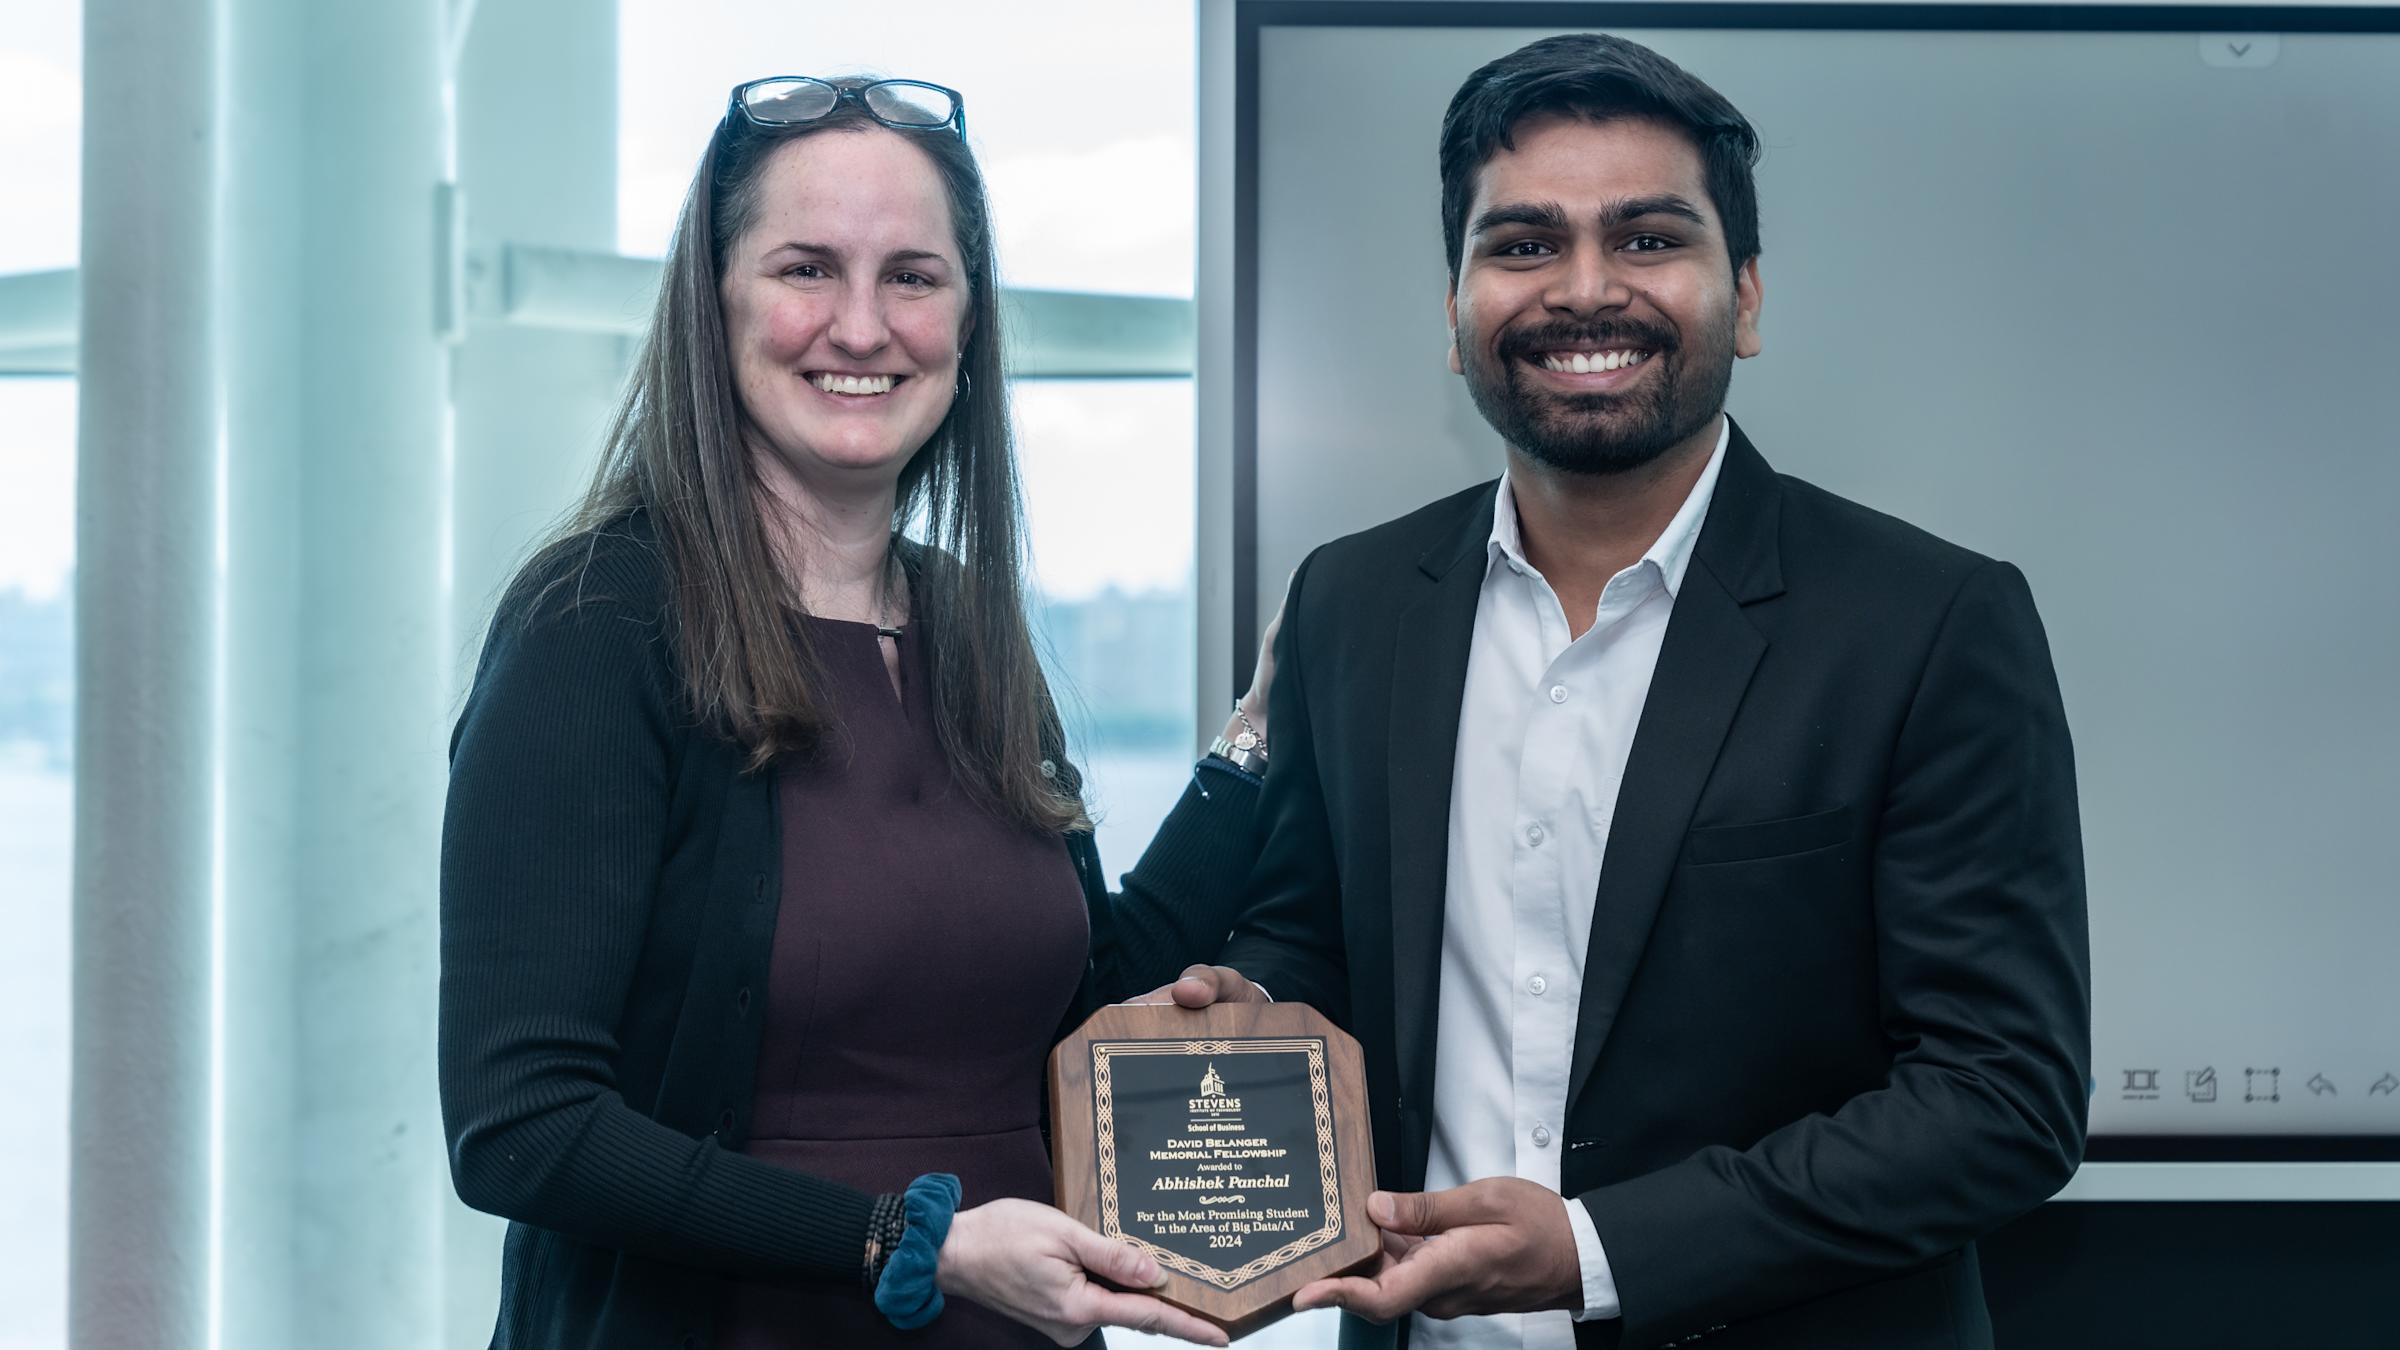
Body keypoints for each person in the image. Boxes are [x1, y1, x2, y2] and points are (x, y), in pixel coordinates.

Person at [1159, 33, 2091, 1350]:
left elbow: (2003, 1100)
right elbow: (1315, 936)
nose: (1583, 290)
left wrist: (1593, 1250)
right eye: (1523, 244)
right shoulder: (1353, 600)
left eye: (1649, 238)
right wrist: (1259, 1015)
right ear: (1454, 308)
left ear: (1747, 298)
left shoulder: (1931, 621)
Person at [439, 75, 1275, 1350]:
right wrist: (901, 1240)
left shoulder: (969, 624)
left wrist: (1256, 744)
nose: (863, 325)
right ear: (715, 304)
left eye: (915, 277)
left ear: (968, 320)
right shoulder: (594, 622)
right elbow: (522, 1128)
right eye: (806, 269)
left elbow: (1075, 1006)